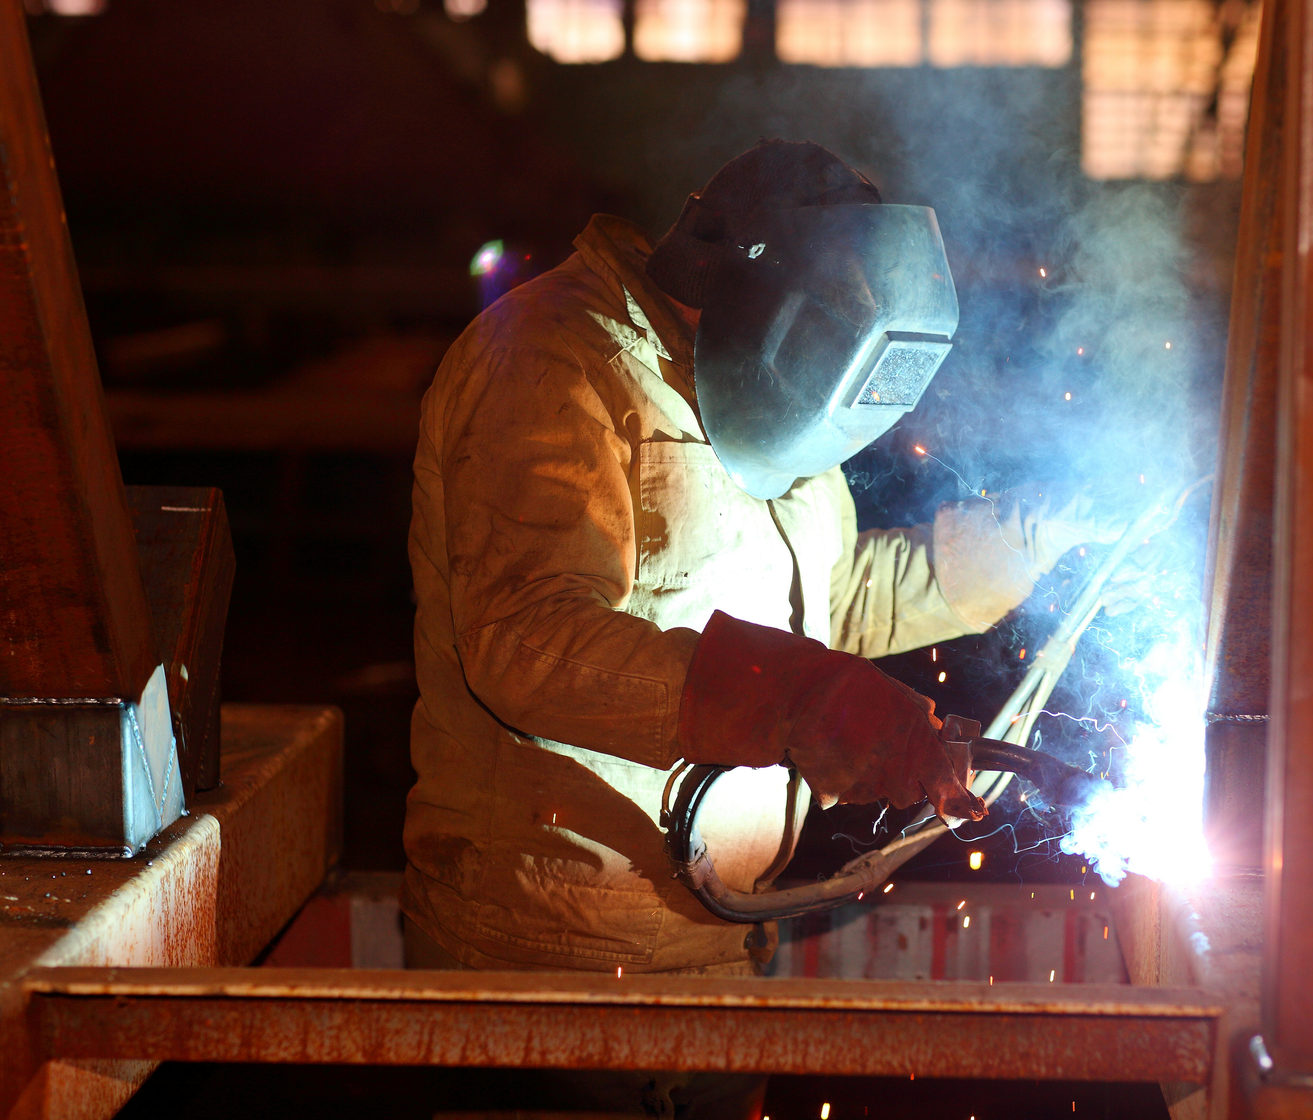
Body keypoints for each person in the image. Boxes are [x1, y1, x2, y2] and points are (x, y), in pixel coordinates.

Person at [402, 140, 1122, 984]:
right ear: (745, 284)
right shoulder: (551, 359)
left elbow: (825, 602)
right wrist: (804, 702)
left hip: (724, 938)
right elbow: (528, 641)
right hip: (549, 954)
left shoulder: (766, 388)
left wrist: (1022, 541)